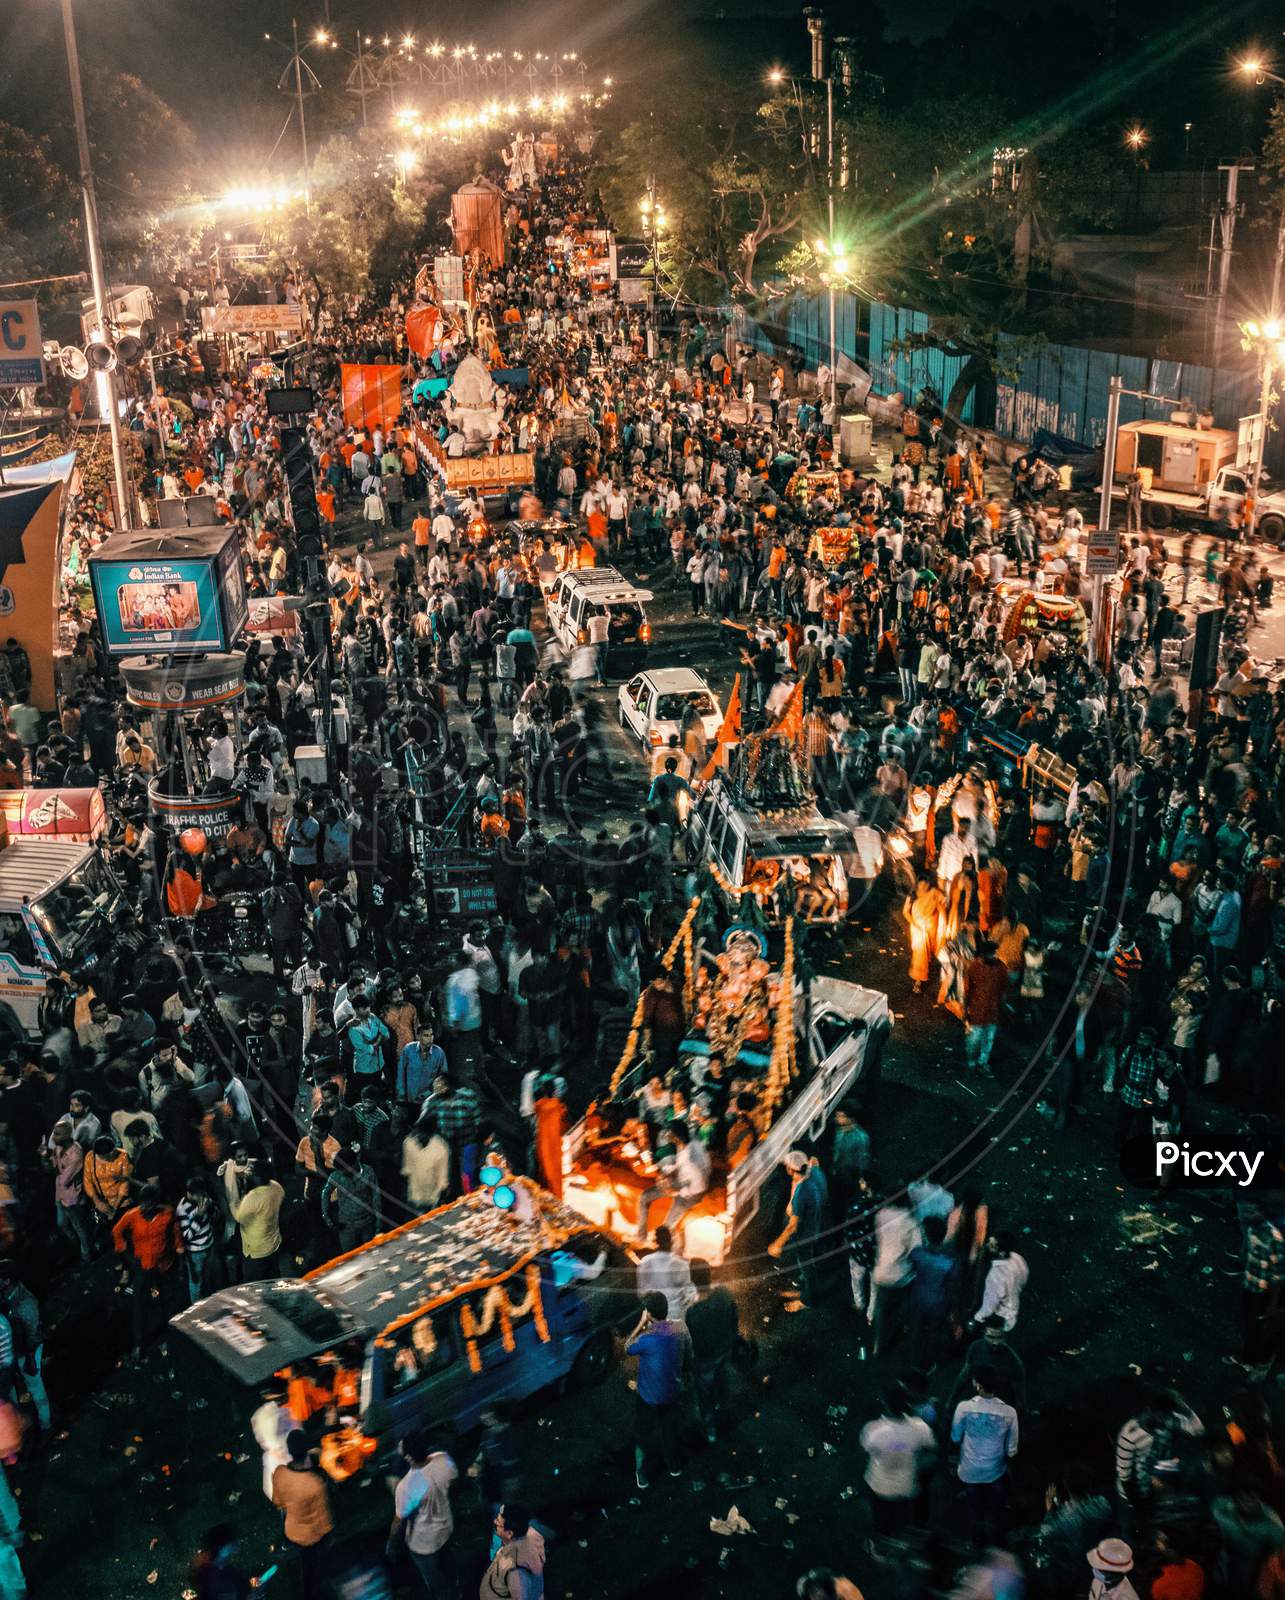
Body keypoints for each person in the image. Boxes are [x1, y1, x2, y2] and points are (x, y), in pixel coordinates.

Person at [626, 1291, 690, 1488]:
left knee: (642, 1436)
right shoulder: (680, 1327)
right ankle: (674, 1467)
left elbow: (627, 1347)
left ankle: (642, 1476)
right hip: (672, 1392)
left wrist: (640, 1324)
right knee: (669, 1432)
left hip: (648, 1397)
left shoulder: (647, 1339)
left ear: (649, 1314)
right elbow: (687, 1353)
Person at [950, 1366, 1019, 1547]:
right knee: (997, 1506)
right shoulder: (1010, 1412)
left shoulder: (963, 1408)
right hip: (995, 1471)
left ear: (977, 1385)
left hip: (969, 1471)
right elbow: (1012, 1450)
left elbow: (955, 1437)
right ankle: (999, 1537)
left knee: (974, 1507)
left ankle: (977, 1540)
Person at [859, 1382, 936, 1543]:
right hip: (906, 1485)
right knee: (901, 1515)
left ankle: (882, 1543)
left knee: (881, 1519)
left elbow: (869, 1449)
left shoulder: (873, 1430)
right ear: (907, 1403)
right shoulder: (919, 1427)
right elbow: (931, 1445)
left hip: (879, 1486)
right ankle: (901, 1537)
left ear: (885, 1404)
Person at [390, 1430, 457, 1596]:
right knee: (448, 1566)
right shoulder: (443, 1459)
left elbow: (400, 1519)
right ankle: (456, 1591)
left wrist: (392, 1541)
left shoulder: (406, 1486)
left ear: (409, 1458)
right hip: (446, 1526)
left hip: (423, 1543)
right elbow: (453, 1482)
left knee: (434, 1579)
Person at [271, 1431, 333, 1600]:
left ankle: (308, 1592)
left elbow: (278, 1502)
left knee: (306, 1567)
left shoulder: (279, 1473)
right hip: (314, 1536)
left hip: (292, 1531)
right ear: (307, 1451)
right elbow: (325, 1521)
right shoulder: (315, 1484)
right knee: (318, 1566)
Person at [686, 1259, 738, 1443]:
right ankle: (725, 1409)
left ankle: (711, 1431)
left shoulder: (692, 1312)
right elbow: (734, 1320)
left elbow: (692, 1344)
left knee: (705, 1396)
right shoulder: (724, 1294)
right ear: (710, 1275)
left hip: (705, 1360)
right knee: (722, 1380)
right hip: (724, 1350)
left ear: (691, 1281)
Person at [635, 1119, 709, 1246]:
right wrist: (667, 1174)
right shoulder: (688, 1144)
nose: (666, 1134)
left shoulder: (691, 1163)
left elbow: (699, 1188)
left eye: (669, 1133)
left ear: (675, 1137)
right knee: (645, 1196)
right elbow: (682, 1165)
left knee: (666, 1228)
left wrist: (674, 1192)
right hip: (682, 1181)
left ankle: (671, 1253)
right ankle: (641, 1238)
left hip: (690, 1194)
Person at [768, 1150, 827, 1307]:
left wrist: (777, 1244)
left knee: (808, 1268)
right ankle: (804, 1285)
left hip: (804, 1236)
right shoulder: (815, 1172)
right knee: (807, 1265)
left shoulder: (802, 1192)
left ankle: (807, 1301)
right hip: (815, 1225)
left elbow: (793, 1225)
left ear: (791, 1170)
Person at [480, 1503, 545, 1600]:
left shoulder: (516, 1571)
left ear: (510, 1533)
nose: (494, 1522)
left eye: (498, 1524)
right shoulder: (523, 1535)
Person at [636, 1225, 696, 1322]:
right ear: (671, 1242)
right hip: (676, 1317)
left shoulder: (645, 1262)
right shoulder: (682, 1264)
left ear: (656, 1242)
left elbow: (641, 1293)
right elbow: (688, 1296)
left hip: (653, 1317)